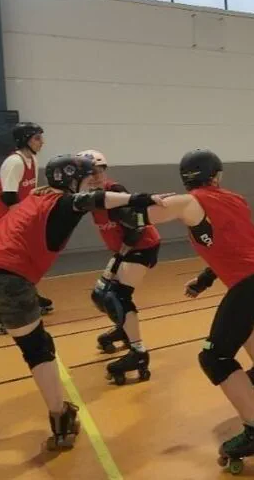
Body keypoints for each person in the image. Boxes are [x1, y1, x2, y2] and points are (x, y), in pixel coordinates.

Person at [0, 154, 163, 451]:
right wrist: (142, 197)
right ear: (72, 182)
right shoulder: (62, 203)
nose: (90, 183)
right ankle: (61, 419)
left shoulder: (37, 197)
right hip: (8, 277)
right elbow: (92, 200)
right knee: (37, 349)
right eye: (85, 179)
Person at [142, 149, 254, 474]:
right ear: (216, 175)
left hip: (251, 279)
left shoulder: (192, 202)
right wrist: (205, 280)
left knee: (215, 357)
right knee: (244, 323)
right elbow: (230, 244)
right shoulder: (235, 199)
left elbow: (152, 214)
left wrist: (99, 201)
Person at [77, 149, 162, 385]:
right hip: (124, 250)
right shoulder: (88, 196)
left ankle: (138, 352)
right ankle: (125, 329)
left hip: (140, 247)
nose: (95, 176)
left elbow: (136, 226)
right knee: (99, 296)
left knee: (118, 296)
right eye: (89, 173)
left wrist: (121, 255)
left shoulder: (114, 192)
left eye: (99, 171)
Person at [0, 122, 53, 321]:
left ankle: (28, 295)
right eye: (37, 138)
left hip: (20, 218)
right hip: (5, 220)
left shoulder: (32, 159)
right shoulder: (14, 162)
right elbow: (8, 196)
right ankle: (0, 310)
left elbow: (29, 190)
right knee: (7, 266)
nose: (42, 142)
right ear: (25, 139)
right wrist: (22, 220)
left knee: (27, 262)